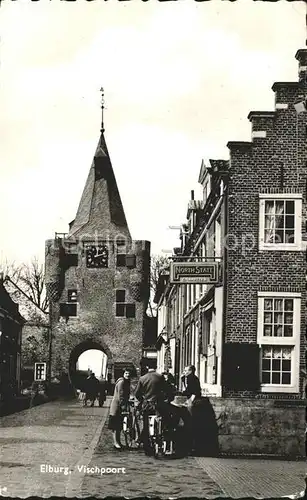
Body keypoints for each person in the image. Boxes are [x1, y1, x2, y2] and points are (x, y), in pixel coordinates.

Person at [135, 368, 168, 455]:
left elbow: (137, 393)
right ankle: (161, 441)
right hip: (158, 405)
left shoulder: (143, 378)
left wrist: (143, 400)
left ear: (147, 368)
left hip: (147, 405)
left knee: (146, 426)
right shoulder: (160, 376)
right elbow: (166, 389)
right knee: (162, 422)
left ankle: (147, 448)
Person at [108, 369, 131, 449]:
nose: (128, 375)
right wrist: (123, 405)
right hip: (117, 407)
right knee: (115, 426)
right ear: (123, 374)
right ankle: (115, 442)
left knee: (119, 426)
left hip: (120, 406)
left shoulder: (125, 382)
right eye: (126, 373)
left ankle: (118, 442)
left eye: (129, 373)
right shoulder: (122, 382)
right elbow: (121, 395)